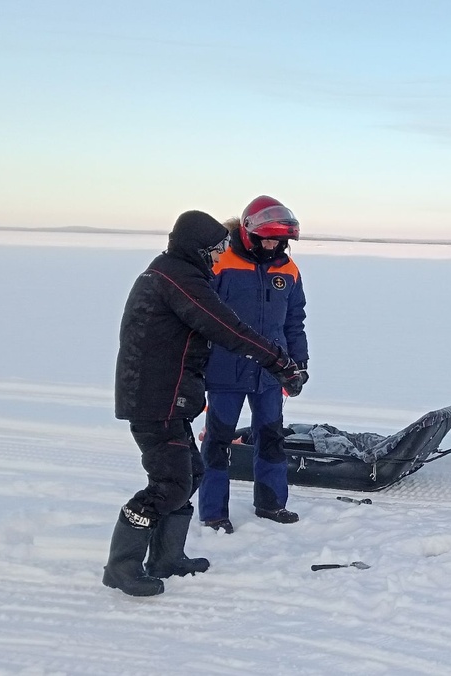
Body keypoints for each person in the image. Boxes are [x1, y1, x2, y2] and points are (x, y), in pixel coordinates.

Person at [104, 210, 306, 597]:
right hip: (153, 397)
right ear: (198, 248)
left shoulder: (175, 272)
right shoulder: (177, 278)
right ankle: (122, 567)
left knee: (190, 473)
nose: (218, 258)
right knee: (169, 482)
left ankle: (166, 558)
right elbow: (225, 326)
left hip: (169, 394)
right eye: (215, 251)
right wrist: (277, 360)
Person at [198, 196, 308, 534]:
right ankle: (214, 513)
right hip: (224, 370)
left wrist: (299, 363)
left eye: (280, 241)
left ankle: (272, 504)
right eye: (268, 239)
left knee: (271, 436)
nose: (274, 245)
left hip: (271, 373)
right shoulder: (220, 261)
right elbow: (199, 315)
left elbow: (294, 321)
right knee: (218, 440)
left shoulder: (287, 270)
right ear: (249, 233)